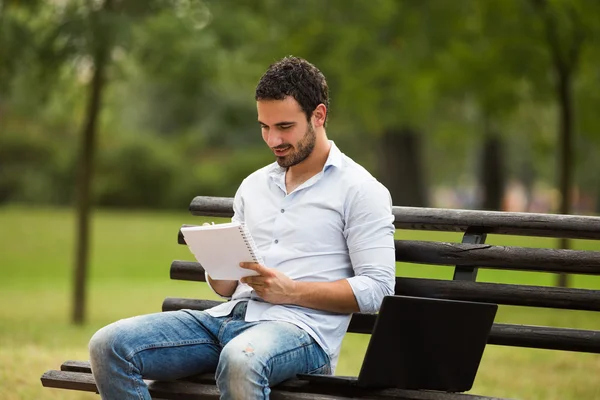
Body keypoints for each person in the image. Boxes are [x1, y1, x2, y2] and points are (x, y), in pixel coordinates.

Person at [88, 56, 396, 400]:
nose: (272, 139)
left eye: (284, 126)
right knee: (109, 345)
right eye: (264, 126)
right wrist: (217, 263)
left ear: (318, 116)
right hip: (229, 318)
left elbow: (378, 288)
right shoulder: (254, 185)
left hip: (301, 332)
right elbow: (225, 287)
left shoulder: (360, 190)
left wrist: (291, 291)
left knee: (239, 360)